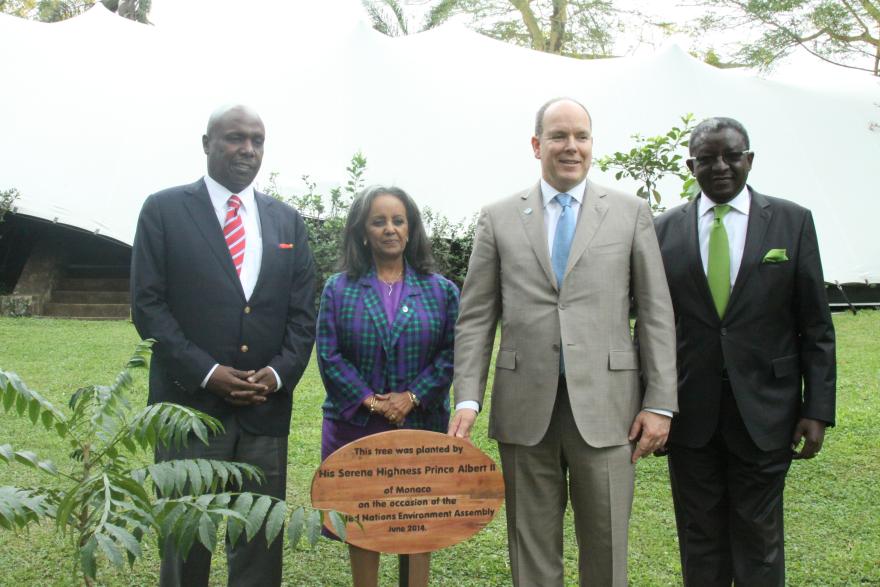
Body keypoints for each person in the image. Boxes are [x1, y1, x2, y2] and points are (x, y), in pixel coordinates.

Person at [449, 97, 677, 586]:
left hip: (609, 407)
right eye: (558, 136)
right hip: (524, 407)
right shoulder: (498, 217)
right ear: (537, 145)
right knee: (530, 545)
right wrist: (467, 396)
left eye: (581, 136)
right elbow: (476, 316)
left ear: (592, 144)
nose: (571, 146)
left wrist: (660, 403)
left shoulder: (630, 213)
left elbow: (656, 312)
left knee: (607, 545)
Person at [130, 104, 316, 587]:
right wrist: (208, 373)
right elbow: (148, 308)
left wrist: (277, 375)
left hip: (264, 410)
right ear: (206, 143)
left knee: (259, 542)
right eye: (235, 138)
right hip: (188, 410)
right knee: (185, 538)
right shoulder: (164, 211)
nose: (247, 149)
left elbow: (302, 315)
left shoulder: (287, 222)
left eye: (257, 140)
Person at [654, 116, 836, 586]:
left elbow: (816, 325)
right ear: (690, 165)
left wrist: (817, 409)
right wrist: (654, 404)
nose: (720, 166)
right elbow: (652, 328)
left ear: (749, 159)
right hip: (690, 413)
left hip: (767, 410)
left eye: (731, 156)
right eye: (707, 158)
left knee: (760, 537)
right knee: (699, 535)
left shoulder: (792, 222)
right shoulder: (662, 230)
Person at [316, 185, 459, 587]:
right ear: (363, 232)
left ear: (411, 229)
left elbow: (453, 352)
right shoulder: (338, 288)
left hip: (421, 426)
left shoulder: (442, 291)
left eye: (398, 221)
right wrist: (372, 401)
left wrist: (413, 397)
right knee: (363, 523)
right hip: (356, 427)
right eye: (378, 221)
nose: (389, 229)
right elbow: (329, 354)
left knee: (418, 520)